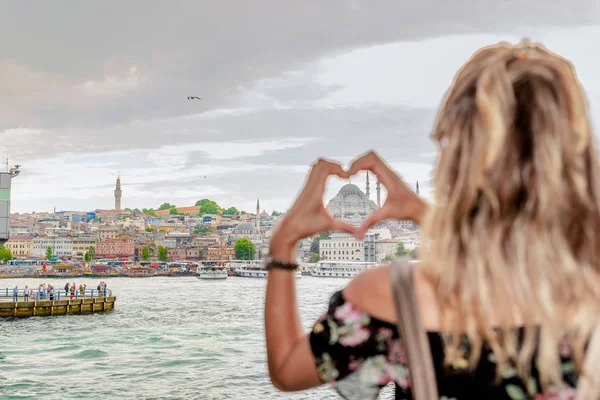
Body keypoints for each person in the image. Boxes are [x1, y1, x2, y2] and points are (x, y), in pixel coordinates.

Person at [264, 40, 600, 399]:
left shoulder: (393, 298)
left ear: (454, 159)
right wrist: (425, 214)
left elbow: (287, 369)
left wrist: (283, 244)